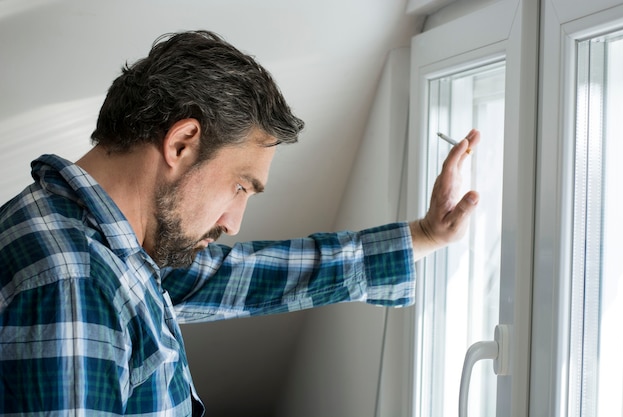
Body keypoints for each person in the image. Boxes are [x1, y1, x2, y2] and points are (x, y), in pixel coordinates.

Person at [0, 30, 479, 416]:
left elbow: (246, 276)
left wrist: (423, 235)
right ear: (183, 143)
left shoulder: (96, 240)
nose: (233, 222)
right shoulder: (74, 288)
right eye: (240, 186)